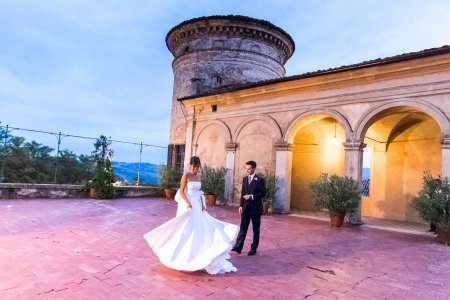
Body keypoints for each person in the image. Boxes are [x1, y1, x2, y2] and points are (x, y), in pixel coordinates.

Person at [143, 156, 239, 274]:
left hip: (197, 204)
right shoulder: (186, 176)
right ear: (190, 165)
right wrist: (188, 203)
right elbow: (182, 191)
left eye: (197, 167)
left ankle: (200, 253)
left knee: (200, 227)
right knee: (185, 229)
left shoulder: (199, 176)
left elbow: (199, 192)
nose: (195, 169)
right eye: (194, 167)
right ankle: (180, 255)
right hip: (188, 204)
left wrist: (202, 204)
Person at [232, 160, 266, 256]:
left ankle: (253, 248)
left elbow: (263, 193)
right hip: (246, 208)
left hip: (256, 209)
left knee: (256, 229)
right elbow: (243, 193)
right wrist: (240, 205)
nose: (247, 171)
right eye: (246, 169)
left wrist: (251, 196)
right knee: (243, 228)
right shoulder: (245, 179)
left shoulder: (259, 180)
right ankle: (238, 247)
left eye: (249, 169)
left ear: (254, 168)